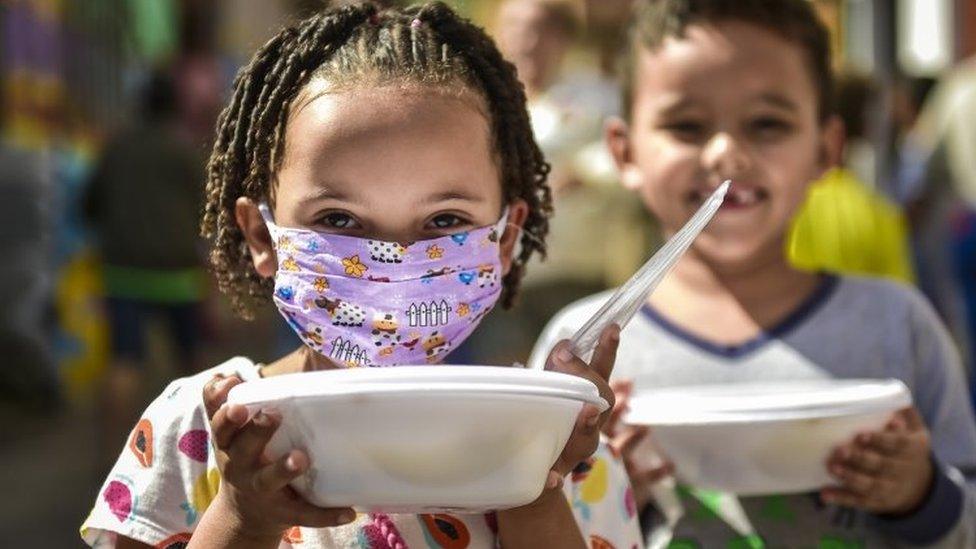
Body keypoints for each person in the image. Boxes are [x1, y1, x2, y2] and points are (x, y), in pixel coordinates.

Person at [80, 3, 641, 547]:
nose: (392, 258)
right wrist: (242, 518)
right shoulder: (203, 432)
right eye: (339, 219)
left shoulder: (560, 447)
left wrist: (532, 483)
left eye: (444, 220)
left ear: (505, 239)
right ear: (261, 236)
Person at [530, 0, 976, 546]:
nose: (727, 154)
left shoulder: (897, 326)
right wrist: (598, 495)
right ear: (624, 152)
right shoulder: (580, 351)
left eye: (767, 124)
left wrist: (920, 494)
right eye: (687, 125)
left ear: (826, 149)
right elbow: (528, 519)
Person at [84, 69, 208, 473]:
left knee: (125, 361)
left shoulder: (115, 148)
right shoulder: (183, 151)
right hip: (176, 272)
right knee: (194, 365)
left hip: (123, 272)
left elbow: (89, 205)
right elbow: (204, 210)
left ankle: (111, 460)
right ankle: (210, 453)